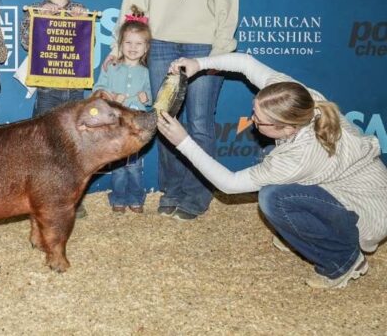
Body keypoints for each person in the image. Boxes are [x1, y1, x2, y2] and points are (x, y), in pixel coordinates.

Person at [157, 53, 387, 289]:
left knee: (274, 198)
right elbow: (245, 63)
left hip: (367, 213)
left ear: (288, 129)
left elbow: (229, 184)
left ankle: (343, 261)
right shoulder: (298, 98)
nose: (252, 119)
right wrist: (199, 64)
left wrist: (183, 141)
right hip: (353, 184)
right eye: (255, 110)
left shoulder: (299, 158)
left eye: (259, 120)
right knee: (269, 158)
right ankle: (304, 234)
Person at [106, 0, 239, 221]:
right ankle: (172, 189)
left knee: (199, 121)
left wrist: (219, 54)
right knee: (164, 118)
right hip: (162, 43)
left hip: (203, 45)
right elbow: (136, 1)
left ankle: (196, 193)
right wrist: (119, 43)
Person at [20, 0, 88, 217]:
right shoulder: (34, 10)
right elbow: (27, 43)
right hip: (47, 88)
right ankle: (41, 199)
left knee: (76, 145)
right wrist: (39, 20)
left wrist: (81, 20)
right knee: (44, 146)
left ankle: (74, 200)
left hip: (74, 88)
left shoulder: (81, 10)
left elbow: (87, 47)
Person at [94, 5, 152, 213]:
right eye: (128, 42)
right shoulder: (111, 68)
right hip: (115, 125)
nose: (133, 47)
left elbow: (154, 98)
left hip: (136, 128)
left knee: (135, 167)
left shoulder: (147, 73)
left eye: (139, 44)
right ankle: (118, 198)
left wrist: (147, 98)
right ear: (120, 44)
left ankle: (136, 198)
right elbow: (98, 89)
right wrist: (109, 96)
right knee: (117, 166)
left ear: (146, 48)